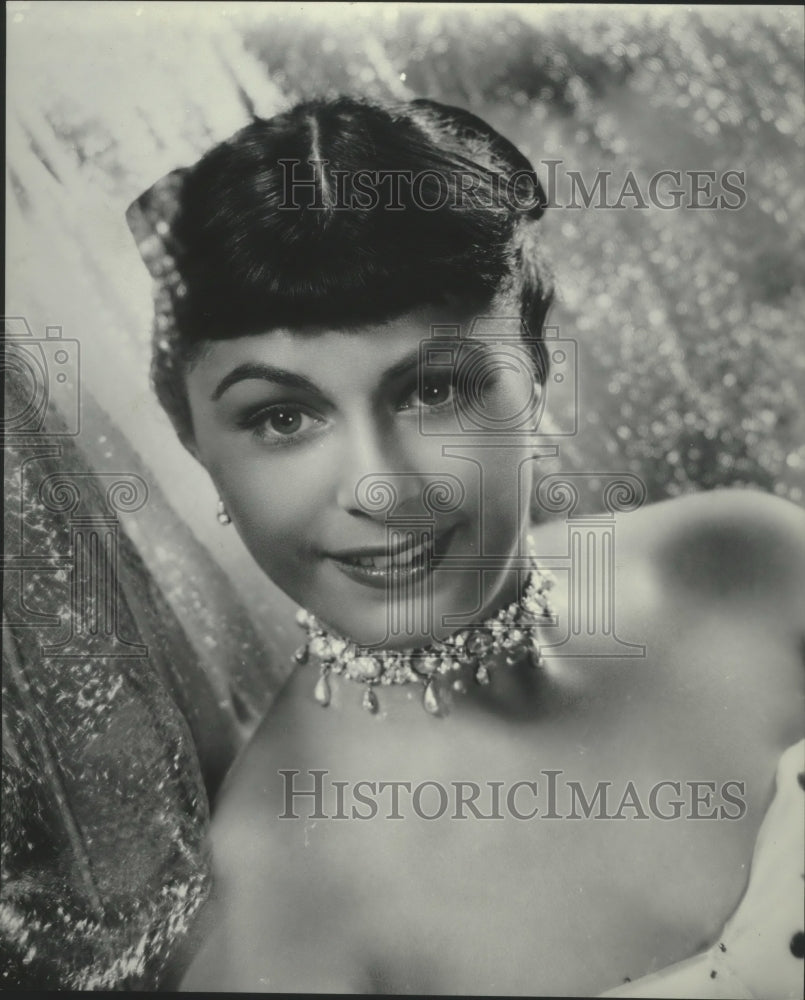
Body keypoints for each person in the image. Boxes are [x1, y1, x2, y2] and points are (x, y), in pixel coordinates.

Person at [128, 97, 804, 996]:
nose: (378, 486)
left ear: (536, 369)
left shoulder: (748, 565)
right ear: (195, 444)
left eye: (434, 390)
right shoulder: (277, 924)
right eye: (282, 418)